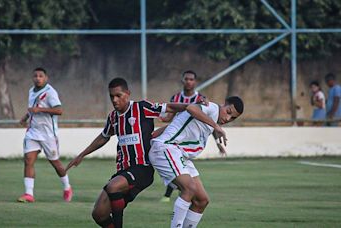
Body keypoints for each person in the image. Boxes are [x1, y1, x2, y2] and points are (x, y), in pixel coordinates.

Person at [65, 78, 222, 228]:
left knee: (113, 187)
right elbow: (104, 136)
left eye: (118, 96)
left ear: (128, 93)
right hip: (123, 171)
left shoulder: (141, 108)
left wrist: (192, 105)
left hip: (142, 168)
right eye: (111, 96)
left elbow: (170, 108)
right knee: (99, 214)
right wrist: (82, 154)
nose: (114, 100)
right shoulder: (113, 117)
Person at [149, 96, 243, 228]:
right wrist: (215, 126)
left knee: (201, 200)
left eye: (233, 118)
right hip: (166, 147)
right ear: (223, 104)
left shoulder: (212, 119)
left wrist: (152, 135)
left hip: (179, 153)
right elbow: (191, 107)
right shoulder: (213, 108)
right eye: (228, 112)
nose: (228, 119)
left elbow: (176, 124)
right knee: (189, 188)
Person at [159, 70, 225, 203]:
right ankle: (177, 195)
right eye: (186, 79)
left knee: (180, 170)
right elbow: (169, 118)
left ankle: (176, 195)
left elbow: (209, 125)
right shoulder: (176, 98)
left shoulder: (201, 99)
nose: (189, 82)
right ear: (182, 81)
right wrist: (159, 116)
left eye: (191, 79)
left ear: (195, 82)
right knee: (178, 168)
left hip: (189, 140)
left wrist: (218, 143)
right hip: (174, 136)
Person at [17, 67, 73, 203]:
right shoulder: (31, 91)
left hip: (48, 135)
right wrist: (25, 118)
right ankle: (29, 194)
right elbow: (32, 109)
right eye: (35, 76)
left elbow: (59, 110)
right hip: (33, 132)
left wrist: (40, 109)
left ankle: (67, 187)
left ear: (46, 78)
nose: (38, 78)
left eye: (41, 76)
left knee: (56, 164)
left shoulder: (50, 92)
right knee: (28, 160)